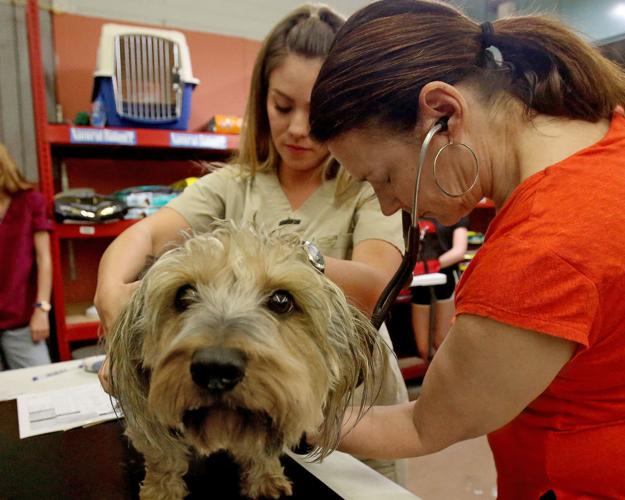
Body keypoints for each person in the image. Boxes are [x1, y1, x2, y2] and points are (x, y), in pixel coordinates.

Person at [308, 1, 625, 498]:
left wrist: (289, 416)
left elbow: (423, 426)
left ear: (444, 113)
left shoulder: (540, 253)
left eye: (384, 177)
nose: (388, 206)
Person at [95, 4, 408, 482]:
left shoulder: (367, 185)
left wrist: (291, 263)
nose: (299, 128)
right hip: (249, 408)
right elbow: (143, 234)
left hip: (354, 408)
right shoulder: (232, 185)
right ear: (261, 100)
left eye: (318, 111)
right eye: (283, 106)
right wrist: (113, 295)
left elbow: (373, 287)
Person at [0, 143, 53, 370]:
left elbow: (44, 260)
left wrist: (41, 309)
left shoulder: (29, 201)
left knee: (42, 389)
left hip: (21, 319)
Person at [411, 216, 468, 360]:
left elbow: (459, 251)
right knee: (423, 348)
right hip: (419, 282)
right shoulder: (415, 212)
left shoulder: (456, 213)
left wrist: (432, 266)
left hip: (446, 279)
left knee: (441, 341)